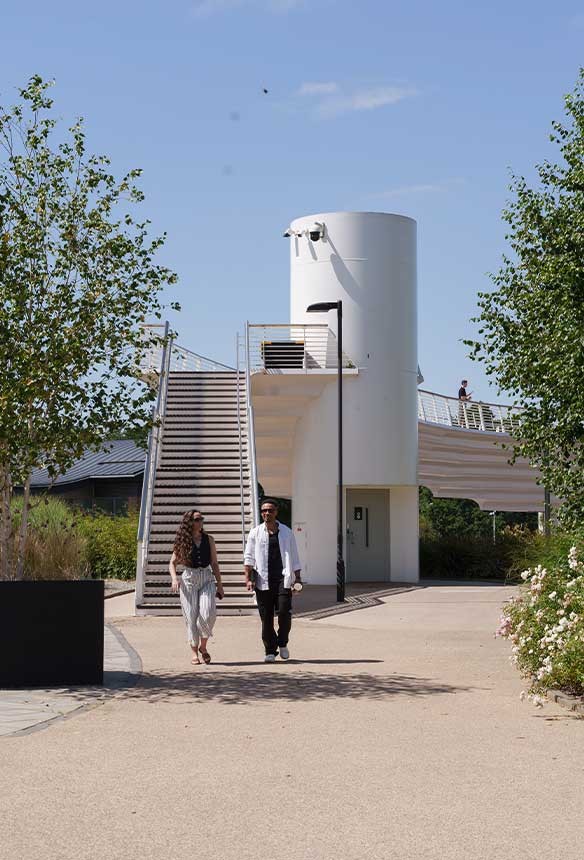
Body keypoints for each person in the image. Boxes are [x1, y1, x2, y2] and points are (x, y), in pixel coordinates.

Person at [244, 498, 302, 662]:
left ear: (276, 512)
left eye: (270, 510)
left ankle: (282, 642)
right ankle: (270, 650)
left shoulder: (286, 532)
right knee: (266, 617)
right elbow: (249, 557)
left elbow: (295, 556)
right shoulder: (255, 533)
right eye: (264, 510)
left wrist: (298, 578)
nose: (267, 513)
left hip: (283, 579)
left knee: (284, 612)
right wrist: (248, 578)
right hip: (263, 580)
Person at [169, 509, 224, 665]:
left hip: (206, 577)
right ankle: (194, 652)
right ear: (189, 522)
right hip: (189, 579)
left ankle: (203, 646)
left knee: (208, 613)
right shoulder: (182, 541)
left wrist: (220, 585)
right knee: (191, 617)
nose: (200, 522)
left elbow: (214, 563)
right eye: (197, 519)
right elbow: (172, 563)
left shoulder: (209, 539)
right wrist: (174, 578)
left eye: (201, 519)